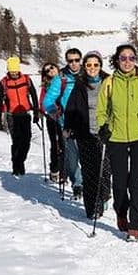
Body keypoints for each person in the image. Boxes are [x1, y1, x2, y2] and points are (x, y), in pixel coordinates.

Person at [97, 44, 138, 242]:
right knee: (119, 183)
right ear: (117, 60)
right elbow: (101, 111)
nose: (127, 61)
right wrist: (103, 127)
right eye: (123, 58)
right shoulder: (109, 83)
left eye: (131, 58)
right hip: (116, 137)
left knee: (136, 182)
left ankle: (134, 226)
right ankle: (121, 211)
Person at [63, 50, 111, 219]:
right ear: (84, 66)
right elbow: (71, 107)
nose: (92, 68)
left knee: (105, 171)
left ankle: (104, 195)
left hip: (106, 133)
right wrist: (68, 126)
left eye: (95, 65)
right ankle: (92, 208)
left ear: (100, 66)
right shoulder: (80, 83)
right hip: (85, 133)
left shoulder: (109, 82)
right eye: (89, 65)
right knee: (90, 172)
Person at [43, 48, 84, 199]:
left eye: (76, 60)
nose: (74, 64)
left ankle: (89, 184)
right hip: (67, 124)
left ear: (80, 59)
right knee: (71, 159)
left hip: (87, 123)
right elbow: (47, 101)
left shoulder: (88, 75)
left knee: (87, 157)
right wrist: (54, 112)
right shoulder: (61, 79)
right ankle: (77, 184)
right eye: (70, 61)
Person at [0, 56, 39, 176]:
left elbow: (34, 95)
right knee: (17, 141)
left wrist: (36, 112)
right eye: (11, 70)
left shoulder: (26, 79)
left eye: (15, 70)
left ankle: (20, 161)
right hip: (12, 116)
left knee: (27, 140)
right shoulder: (4, 83)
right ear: (8, 70)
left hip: (25, 114)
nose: (14, 73)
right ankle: (16, 166)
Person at [39, 62, 63, 182]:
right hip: (52, 118)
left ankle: (63, 170)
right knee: (55, 144)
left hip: (65, 117)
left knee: (64, 145)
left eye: (52, 68)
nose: (51, 71)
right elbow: (42, 102)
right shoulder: (46, 86)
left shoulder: (66, 80)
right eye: (47, 70)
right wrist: (47, 111)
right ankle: (54, 169)